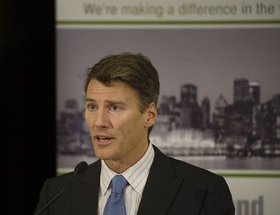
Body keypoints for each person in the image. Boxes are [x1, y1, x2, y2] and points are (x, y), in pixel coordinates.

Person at [34, 52, 235, 215]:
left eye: (114, 108)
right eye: (92, 106)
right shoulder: (57, 193)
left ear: (149, 115)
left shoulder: (203, 192)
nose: (99, 122)